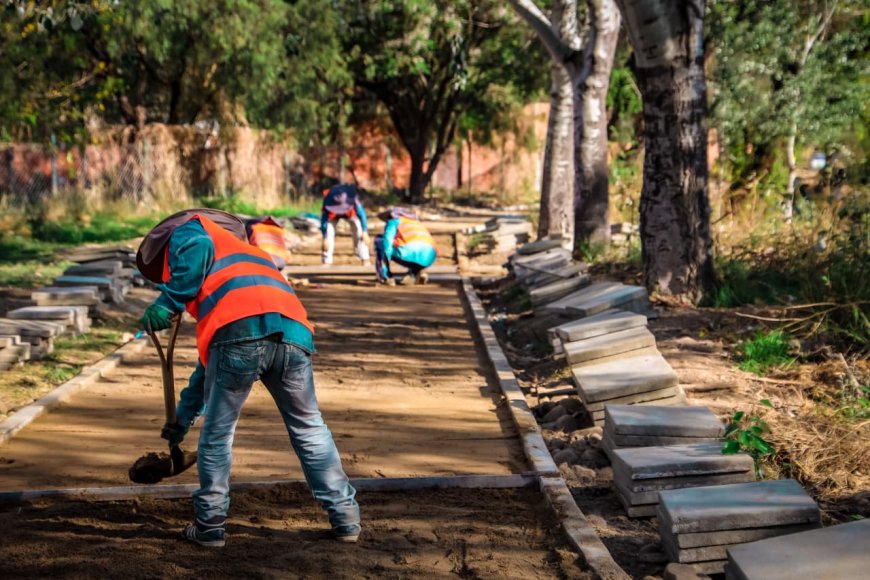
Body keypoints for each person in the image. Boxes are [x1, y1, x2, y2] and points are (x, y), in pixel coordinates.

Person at [136, 208, 360, 548]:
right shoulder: (251, 256)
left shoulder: (191, 230)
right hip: (292, 335)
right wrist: (182, 419)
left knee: (217, 433)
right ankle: (346, 517)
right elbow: (209, 367)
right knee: (309, 426)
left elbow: (195, 251)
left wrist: (169, 302)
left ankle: (210, 524)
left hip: (239, 335)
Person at [374, 207, 437, 286]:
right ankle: (416, 272)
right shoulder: (414, 223)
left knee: (380, 240)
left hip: (410, 252)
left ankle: (385, 277)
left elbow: (387, 242)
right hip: (430, 257)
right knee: (413, 254)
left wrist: (385, 266)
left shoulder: (394, 221)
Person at [320, 183, 370, 265]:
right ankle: (326, 260)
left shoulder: (354, 201)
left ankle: (365, 258)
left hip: (350, 214)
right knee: (328, 232)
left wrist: (365, 231)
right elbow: (324, 220)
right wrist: (325, 237)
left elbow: (362, 216)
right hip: (333, 215)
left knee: (358, 229)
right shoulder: (328, 201)